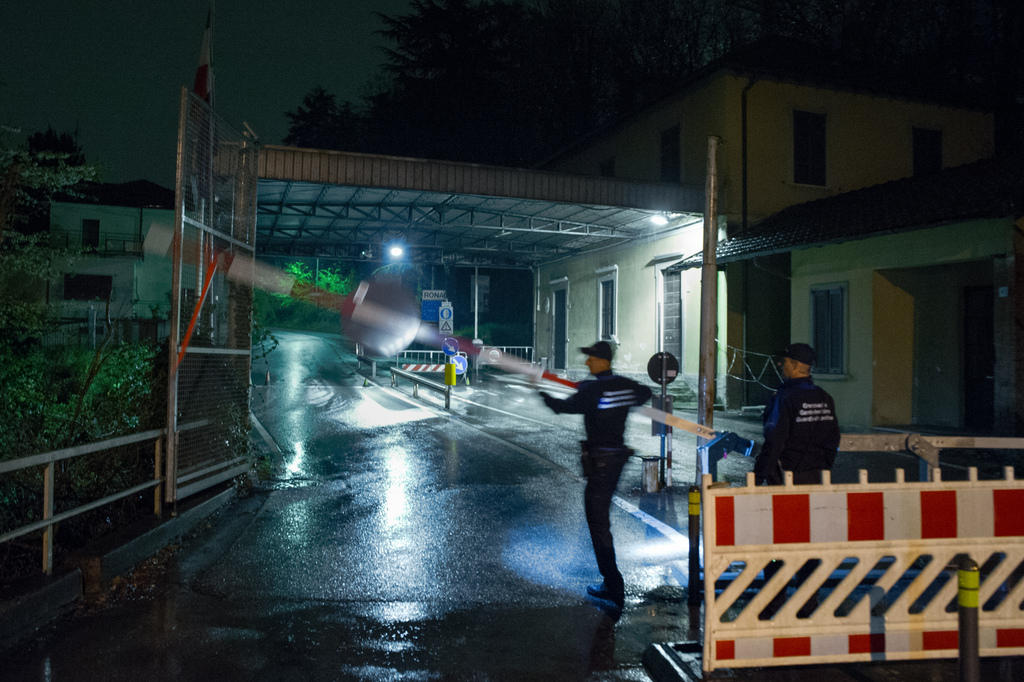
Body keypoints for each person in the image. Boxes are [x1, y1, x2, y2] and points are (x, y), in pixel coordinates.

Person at [538, 340, 652, 612]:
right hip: (616, 460)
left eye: (591, 358)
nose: (587, 362)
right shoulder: (624, 386)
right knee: (600, 522)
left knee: (598, 523)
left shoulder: (592, 389)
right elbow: (645, 393)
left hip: (600, 462)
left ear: (602, 360)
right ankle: (611, 582)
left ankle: (613, 586)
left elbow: (563, 407)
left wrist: (543, 396)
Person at [754, 342, 840, 485]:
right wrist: (824, 465)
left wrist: (758, 476)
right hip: (817, 475)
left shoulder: (784, 398)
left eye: (784, 362)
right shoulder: (824, 397)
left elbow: (775, 440)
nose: (780, 365)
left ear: (795, 365)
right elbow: (833, 437)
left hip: (787, 475)